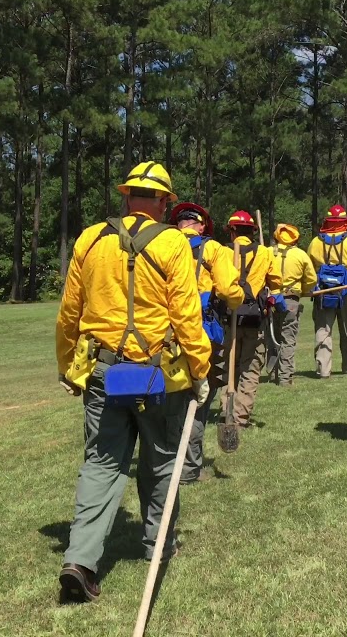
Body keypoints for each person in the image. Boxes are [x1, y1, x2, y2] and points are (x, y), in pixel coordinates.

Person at [55, 161, 210, 602]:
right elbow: (186, 315)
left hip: (103, 372)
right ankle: (158, 546)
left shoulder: (90, 238)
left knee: (101, 465)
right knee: (160, 463)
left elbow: (69, 312)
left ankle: (81, 559)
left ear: (126, 198)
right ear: (163, 202)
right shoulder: (174, 242)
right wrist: (200, 370)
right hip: (158, 376)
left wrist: (68, 366)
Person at [171, 201, 241, 484]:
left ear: (179, 224)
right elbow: (226, 288)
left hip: (164, 334)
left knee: (171, 396)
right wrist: (236, 298)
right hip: (201, 334)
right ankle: (189, 468)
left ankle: (166, 460)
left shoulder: (162, 244)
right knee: (198, 398)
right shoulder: (213, 249)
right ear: (202, 226)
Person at [226, 210, 281, 427]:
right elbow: (276, 281)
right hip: (253, 318)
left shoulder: (222, 251)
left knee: (229, 366)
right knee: (250, 367)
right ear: (252, 231)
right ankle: (240, 416)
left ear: (232, 231)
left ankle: (226, 409)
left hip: (229, 317)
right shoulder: (265, 253)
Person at [308, 205, 347, 378]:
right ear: (345, 222)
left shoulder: (316, 242)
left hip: (323, 294)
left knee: (323, 331)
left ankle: (323, 369)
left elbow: (309, 267)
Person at [267, 223, 316, 387]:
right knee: (288, 339)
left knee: (272, 337)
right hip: (290, 300)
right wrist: (304, 289)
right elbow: (311, 279)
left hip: (270, 300)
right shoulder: (300, 255)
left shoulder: (267, 252)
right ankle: (285, 378)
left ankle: (273, 374)